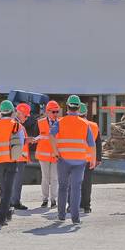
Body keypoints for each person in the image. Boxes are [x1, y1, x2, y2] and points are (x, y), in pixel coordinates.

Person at [49, 95, 95, 224]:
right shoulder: (85, 124)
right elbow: (92, 144)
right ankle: (75, 218)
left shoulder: (60, 122)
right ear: (79, 108)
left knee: (63, 188)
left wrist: (55, 152)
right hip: (80, 161)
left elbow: (51, 135)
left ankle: (61, 216)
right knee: (76, 189)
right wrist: (92, 159)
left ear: (67, 107)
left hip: (63, 159)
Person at [0, 100, 25, 226]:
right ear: (12, 112)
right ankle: (2, 216)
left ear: (1, 112)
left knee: (3, 188)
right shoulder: (17, 126)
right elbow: (21, 143)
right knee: (8, 189)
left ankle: (7, 211)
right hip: (11, 160)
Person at [35, 100, 60, 208]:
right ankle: (45, 199)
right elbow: (35, 137)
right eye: (53, 112)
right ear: (47, 112)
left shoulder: (61, 123)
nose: (56, 114)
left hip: (56, 155)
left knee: (54, 178)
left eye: (57, 111)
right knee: (45, 178)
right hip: (43, 156)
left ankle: (53, 200)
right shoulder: (39, 123)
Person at [78, 103, 102, 213]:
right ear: (86, 113)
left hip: (75, 158)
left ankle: (74, 204)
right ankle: (86, 206)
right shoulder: (94, 126)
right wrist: (98, 159)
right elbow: (98, 143)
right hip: (89, 160)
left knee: (74, 183)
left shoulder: (75, 124)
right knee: (87, 183)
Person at [10, 102, 33, 211]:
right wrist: (27, 140)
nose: (27, 118)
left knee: (14, 182)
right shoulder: (16, 125)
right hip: (17, 158)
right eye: (26, 116)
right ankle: (15, 202)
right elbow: (16, 141)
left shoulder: (16, 124)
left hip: (17, 157)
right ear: (19, 114)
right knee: (16, 182)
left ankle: (13, 201)